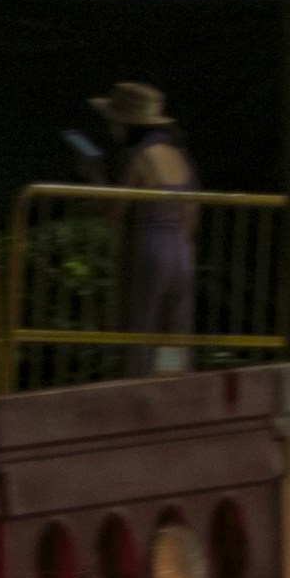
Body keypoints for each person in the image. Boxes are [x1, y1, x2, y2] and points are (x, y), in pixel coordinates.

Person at [99, 81, 200, 367]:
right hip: (181, 248)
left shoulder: (139, 156)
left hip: (150, 245)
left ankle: (137, 395)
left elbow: (116, 211)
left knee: (140, 330)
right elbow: (192, 212)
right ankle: (174, 392)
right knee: (174, 337)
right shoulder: (178, 155)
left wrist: (95, 179)